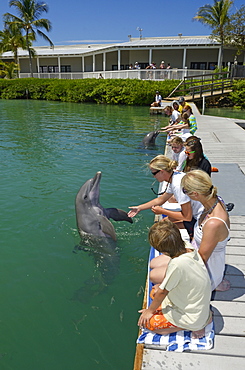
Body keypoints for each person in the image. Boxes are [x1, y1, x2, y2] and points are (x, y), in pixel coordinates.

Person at [138, 219, 212, 337]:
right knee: (155, 290)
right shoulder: (187, 246)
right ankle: (200, 319)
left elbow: (162, 292)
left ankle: (195, 325)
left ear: (163, 251)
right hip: (195, 303)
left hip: (192, 316)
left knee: (149, 324)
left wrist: (149, 311)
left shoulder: (177, 265)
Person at [128, 155, 203, 238]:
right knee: (163, 222)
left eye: (154, 173)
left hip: (200, 218)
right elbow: (161, 199)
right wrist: (139, 208)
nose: (153, 176)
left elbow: (187, 217)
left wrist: (162, 211)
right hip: (195, 214)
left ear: (162, 171)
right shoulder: (175, 176)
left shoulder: (177, 185)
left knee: (162, 229)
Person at [181, 170, 231, 291]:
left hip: (206, 271)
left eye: (185, 191)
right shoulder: (214, 201)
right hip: (196, 254)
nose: (184, 194)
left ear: (195, 194)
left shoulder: (214, 224)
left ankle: (214, 284)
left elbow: (201, 260)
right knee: (156, 264)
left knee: (155, 275)